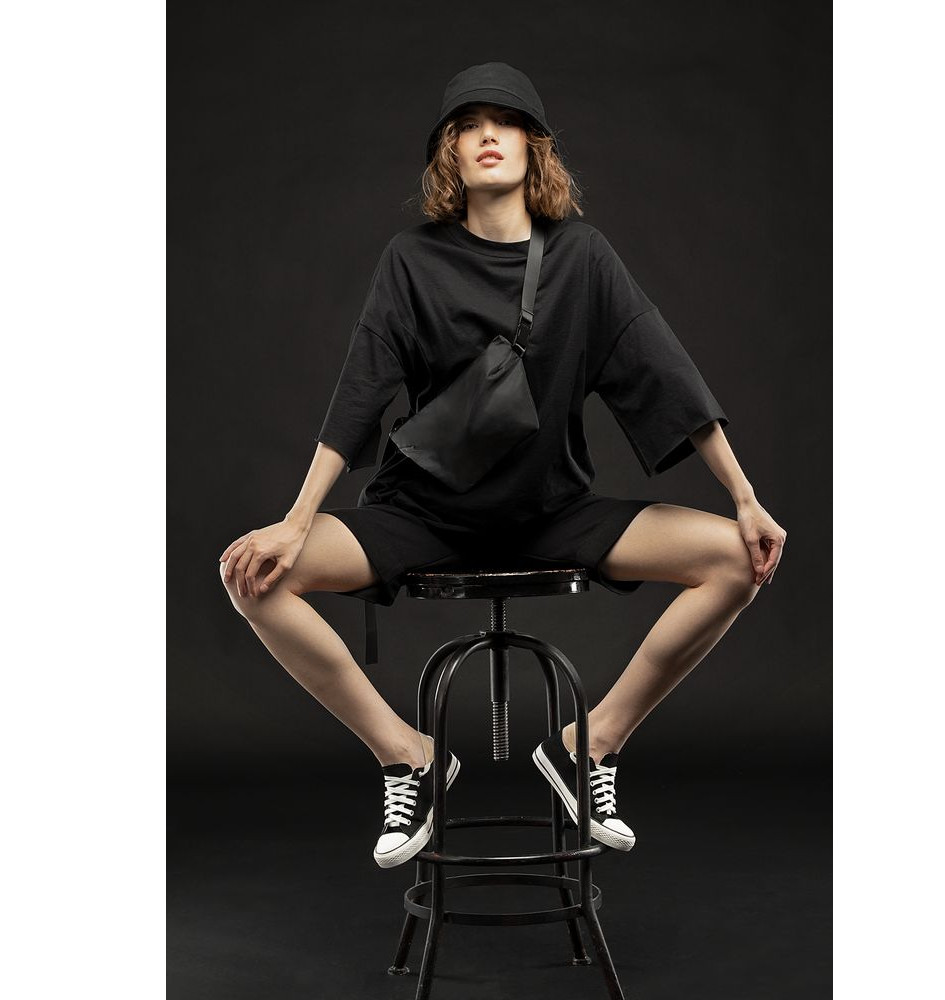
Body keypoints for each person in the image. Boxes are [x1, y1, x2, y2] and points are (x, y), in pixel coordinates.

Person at [218, 62, 787, 869]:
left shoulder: (583, 258)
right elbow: (358, 397)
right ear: (450, 152)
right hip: (422, 517)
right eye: (468, 125)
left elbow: (668, 377)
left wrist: (746, 496)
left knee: (737, 557)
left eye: (507, 121)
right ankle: (408, 756)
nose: (488, 135)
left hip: (551, 515)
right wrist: (295, 521)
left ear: (534, 145)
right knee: (251, 576)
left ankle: (588, 746)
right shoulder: (410, 260)